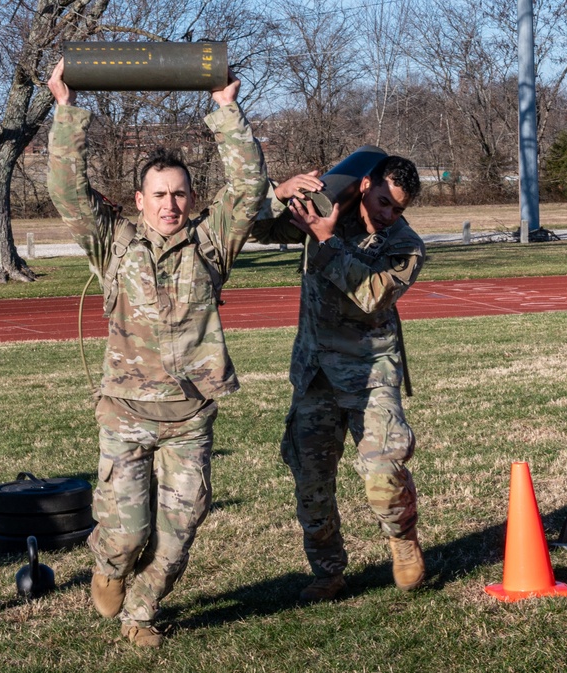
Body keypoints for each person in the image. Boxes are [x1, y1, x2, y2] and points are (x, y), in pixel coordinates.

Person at [46, 60, 267, 646]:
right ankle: (110, 565)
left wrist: (225, 111)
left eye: (179, 194)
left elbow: (248, 189)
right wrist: (67, 110)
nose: (170, 204)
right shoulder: (112, 243)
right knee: (126, 532)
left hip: (190, 416)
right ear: (139, 200)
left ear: (193, 198)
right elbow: (66, 190)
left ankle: (141, 612)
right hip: (126, 414)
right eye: (159, 194)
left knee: (179, 530)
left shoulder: (212, 245)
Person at [251, 155, 426, 602]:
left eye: (398, 209)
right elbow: (261, 229)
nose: (388, 214)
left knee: (383, 475)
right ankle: (328, 571)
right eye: (384, 201)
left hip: (371, 375)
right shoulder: (324, 210)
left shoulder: (405, 245)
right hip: (315, 374)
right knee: (311, 482)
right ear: (365, 185)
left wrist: (326, 241)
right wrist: (280, 193)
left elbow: (371, 294)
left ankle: (402, 537)